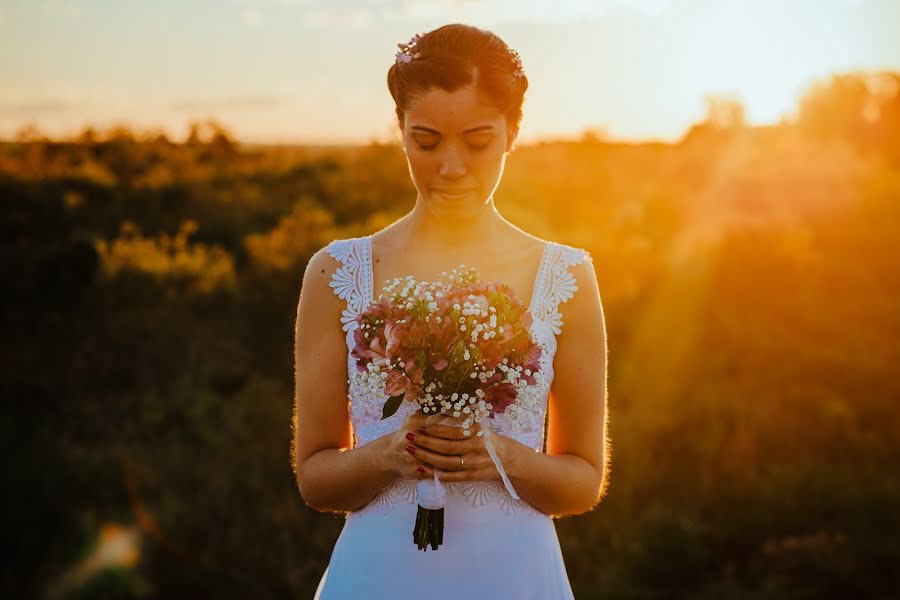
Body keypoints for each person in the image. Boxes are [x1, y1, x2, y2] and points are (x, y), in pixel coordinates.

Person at [293, 23, 609, 599]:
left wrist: (501, 457)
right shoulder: (335, 274)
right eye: (428, 140)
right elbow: (315, 479)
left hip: (514, 579)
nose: (452, 166)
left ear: (514, 131)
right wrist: (392, 453)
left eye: (479, 140)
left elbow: (584, 481)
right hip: (376, 578)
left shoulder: (565, 278)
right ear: (401, 131)